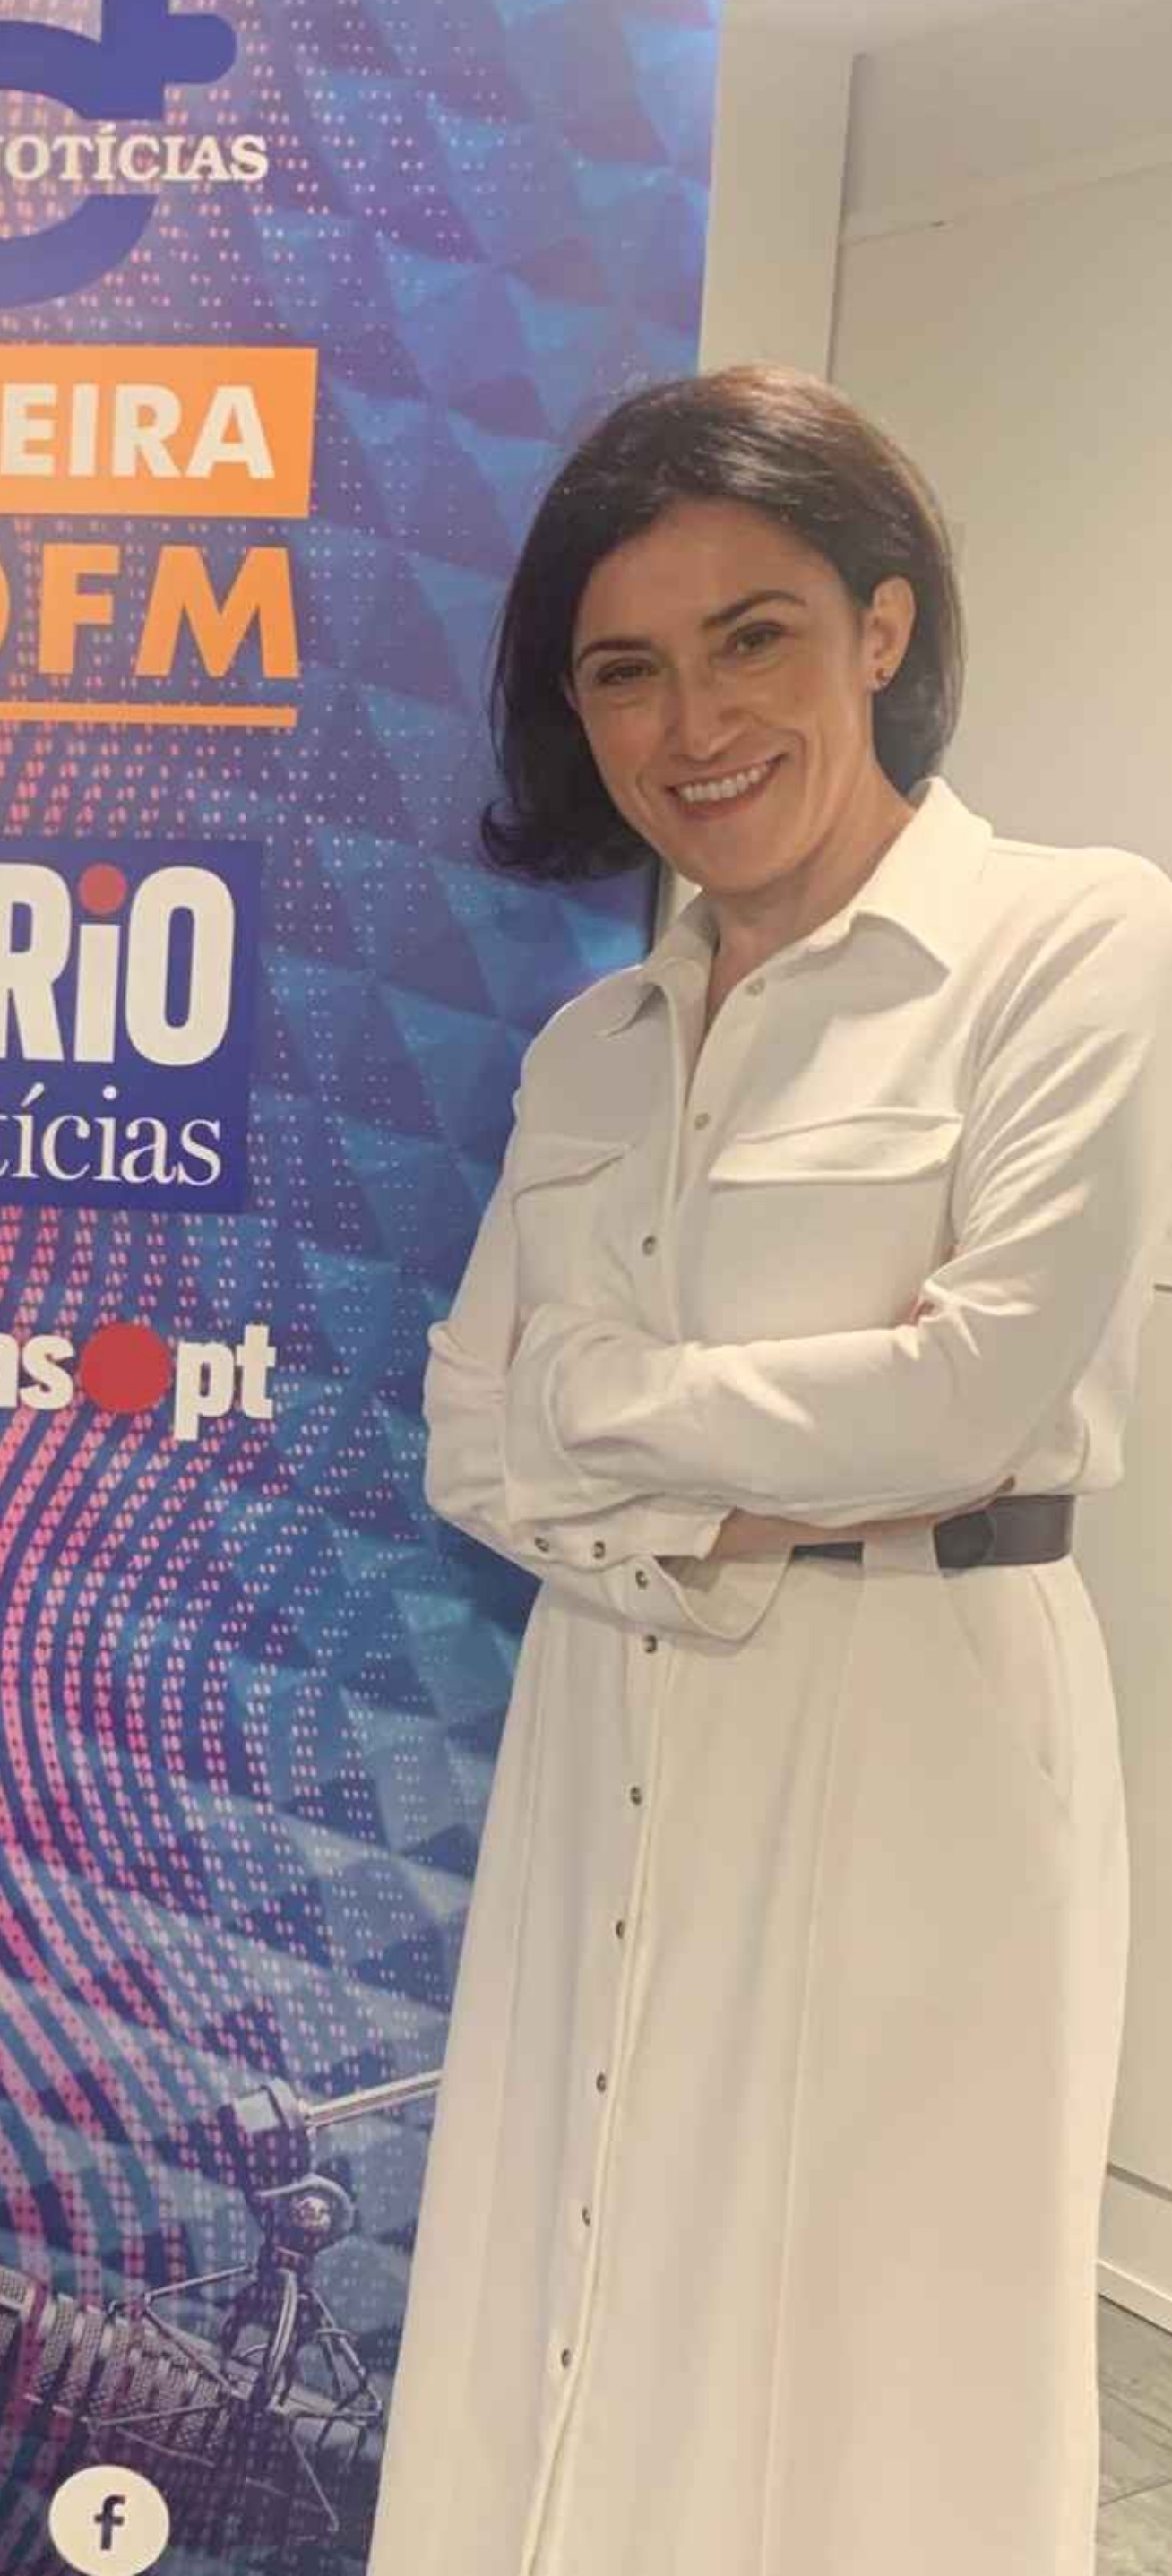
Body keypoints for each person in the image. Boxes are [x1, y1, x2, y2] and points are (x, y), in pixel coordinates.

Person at [367, 365, 1172, 2575]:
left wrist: (608, 1401)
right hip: (611, 1703)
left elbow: (972, 1401)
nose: (692, 721)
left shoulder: (1071, 939)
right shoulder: (593, 1044)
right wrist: (722, 1461)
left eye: (755, 637)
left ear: (881, 631)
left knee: (887, 2337)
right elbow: (469, 1434)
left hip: (920, 1719)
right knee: (578, 2269)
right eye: (625, 667)